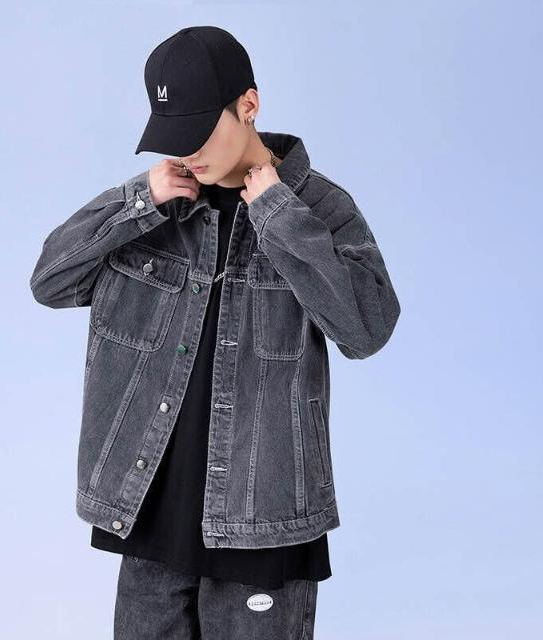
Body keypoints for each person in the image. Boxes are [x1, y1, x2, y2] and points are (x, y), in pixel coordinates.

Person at [29, 25, 401, 640]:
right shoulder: (156, 207)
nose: (188, 152)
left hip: (262, 519)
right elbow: (50, 281)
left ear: (248, 105)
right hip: (150, 511)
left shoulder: (320, 208)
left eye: (200, 131)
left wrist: (281, 217)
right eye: (173, 135)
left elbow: (367, 330)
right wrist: (136, 201)